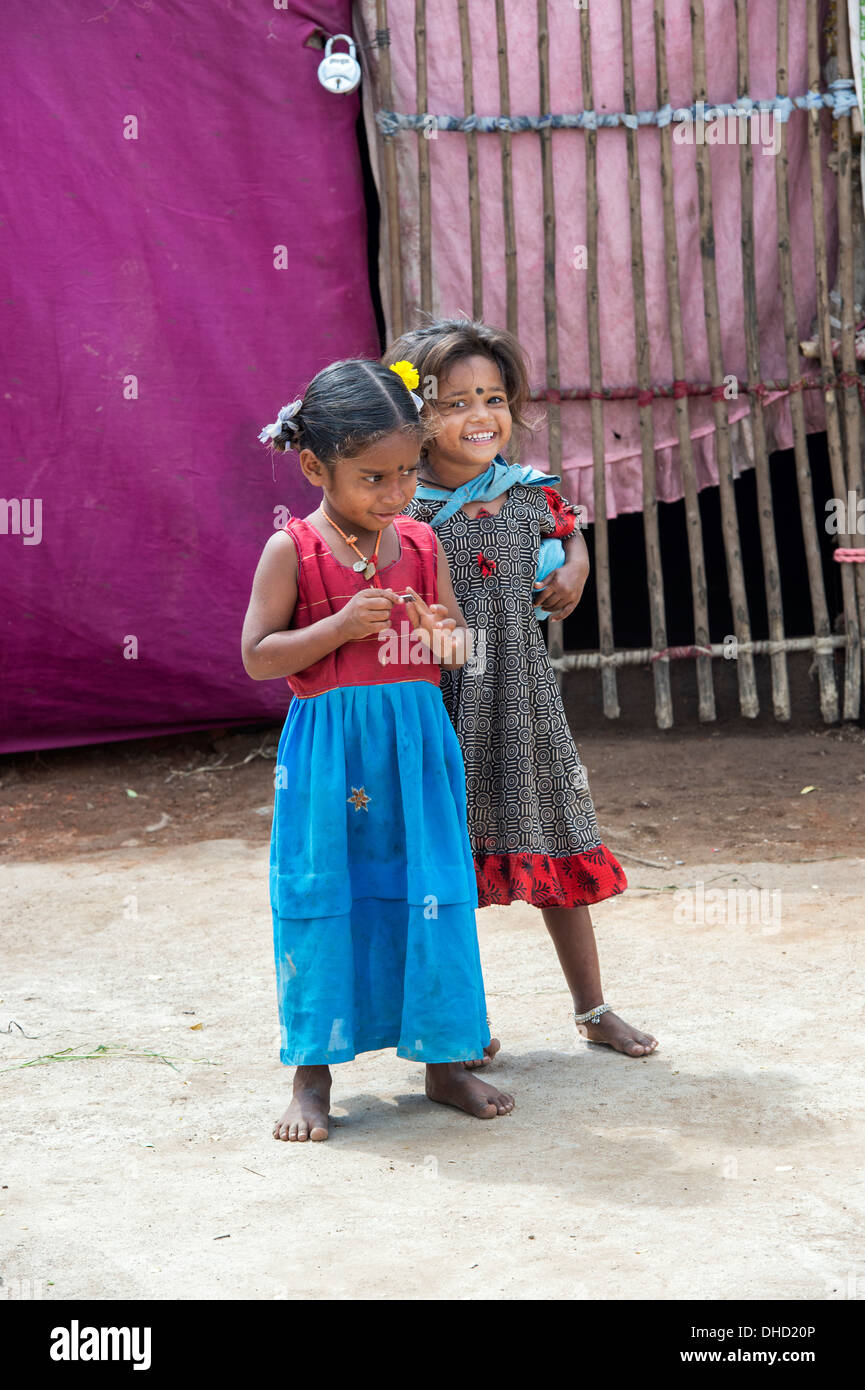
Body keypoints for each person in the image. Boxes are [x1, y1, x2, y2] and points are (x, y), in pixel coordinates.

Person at [241, 357, 515, 1142]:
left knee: (435, 890)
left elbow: (462, 650)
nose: (396, 494)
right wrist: (333, 630)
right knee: (323, 897)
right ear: (313, 466)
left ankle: (446, 1059)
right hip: (330, 759)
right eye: (374, 478)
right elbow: (258, 655)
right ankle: (311, 1076)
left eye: (406, 474)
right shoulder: (291, 551)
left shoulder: (424, 544)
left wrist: (444, 635)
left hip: (418, 750)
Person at [383, 320, 658, 1060]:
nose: (481, 417)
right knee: (441, 868)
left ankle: (593, 1009)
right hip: (436, 706)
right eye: (456, 402)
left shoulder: (526, 491)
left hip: (522, 700)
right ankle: (454, 1026)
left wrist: (574, 566)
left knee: (558, 844)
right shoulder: (401, 510)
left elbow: (567, 531)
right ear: (417, 417)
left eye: (494, 398)